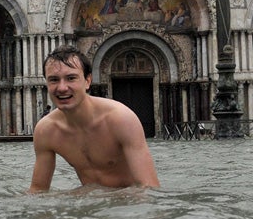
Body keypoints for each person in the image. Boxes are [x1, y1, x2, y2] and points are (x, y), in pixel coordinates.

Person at [29, 45, 159, 192]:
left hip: (127, 206)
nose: (62, 88)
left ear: (87, 81)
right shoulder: (46, 131)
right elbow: (37, 191)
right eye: (54, 80)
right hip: (87, 205)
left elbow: (148, 188)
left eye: (71, 78)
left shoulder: (121, 119)